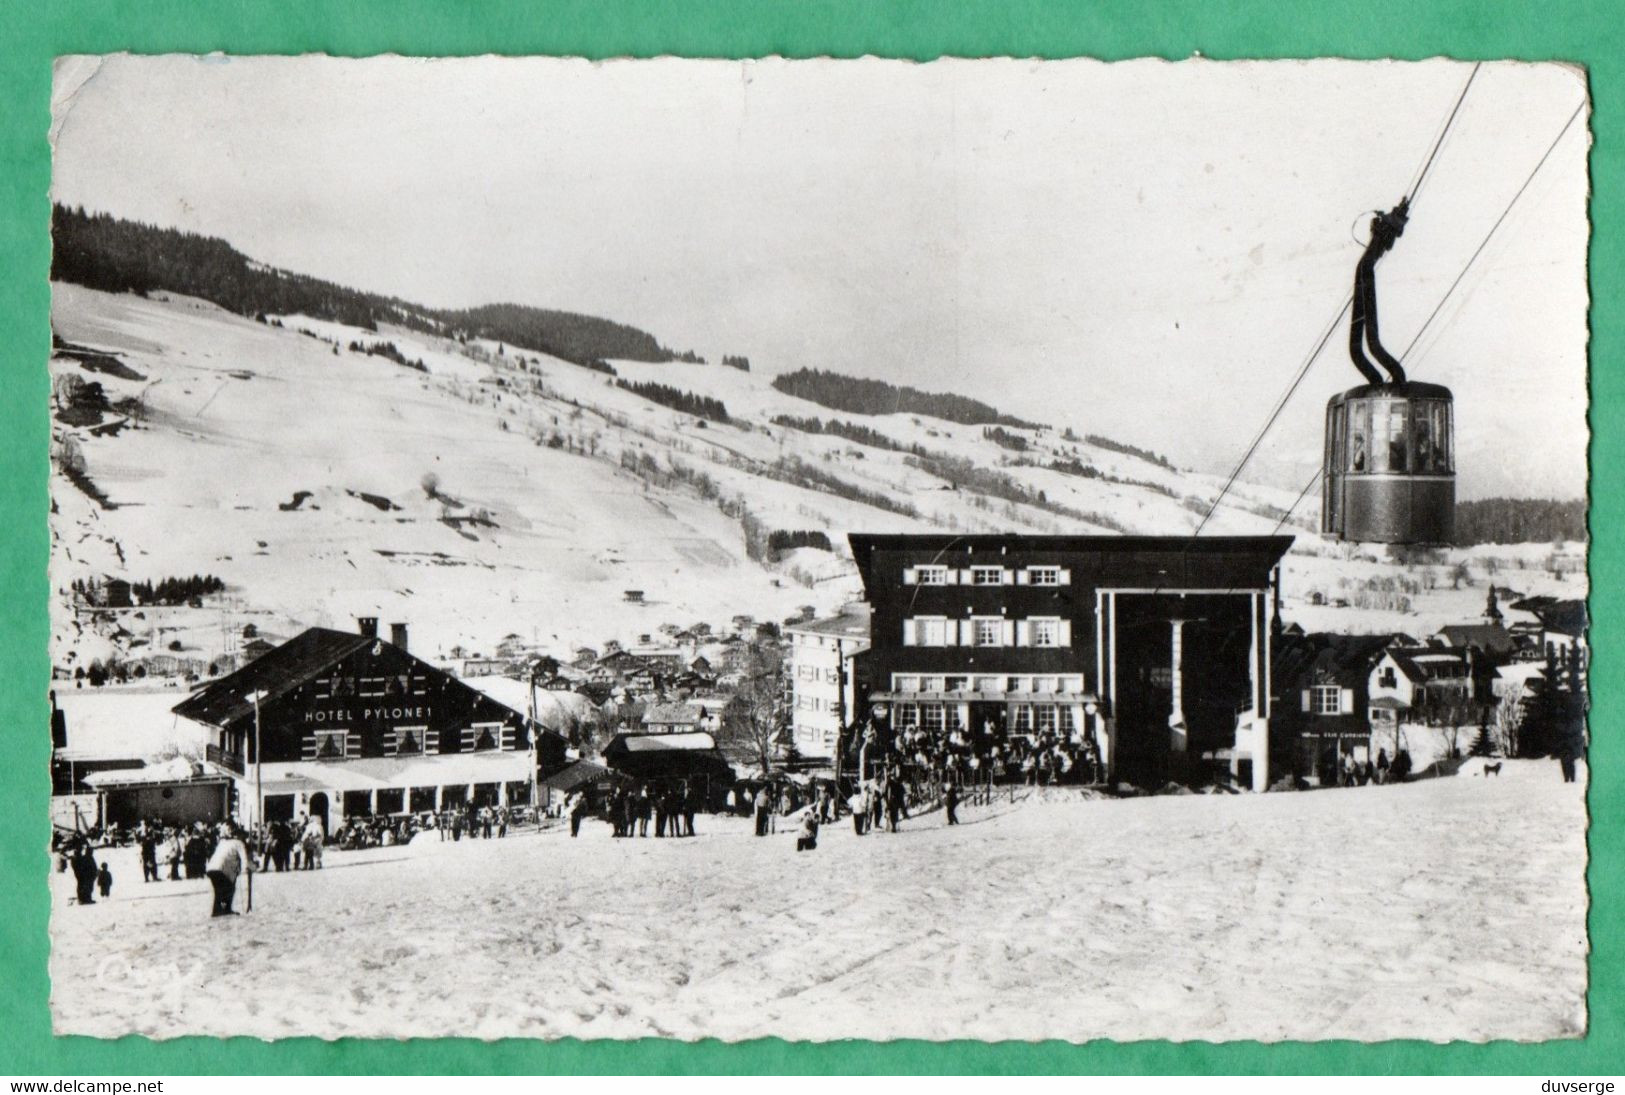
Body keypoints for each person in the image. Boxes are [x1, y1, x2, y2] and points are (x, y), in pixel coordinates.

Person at [205, 823, 251, 918]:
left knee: (219, 890)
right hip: (222, 869)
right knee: (229, 889)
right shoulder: (239, 843)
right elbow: (244, 858)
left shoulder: (223, 843)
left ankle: (217, 910)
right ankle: (225, 909)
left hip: (211, 868)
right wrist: (245, 869)